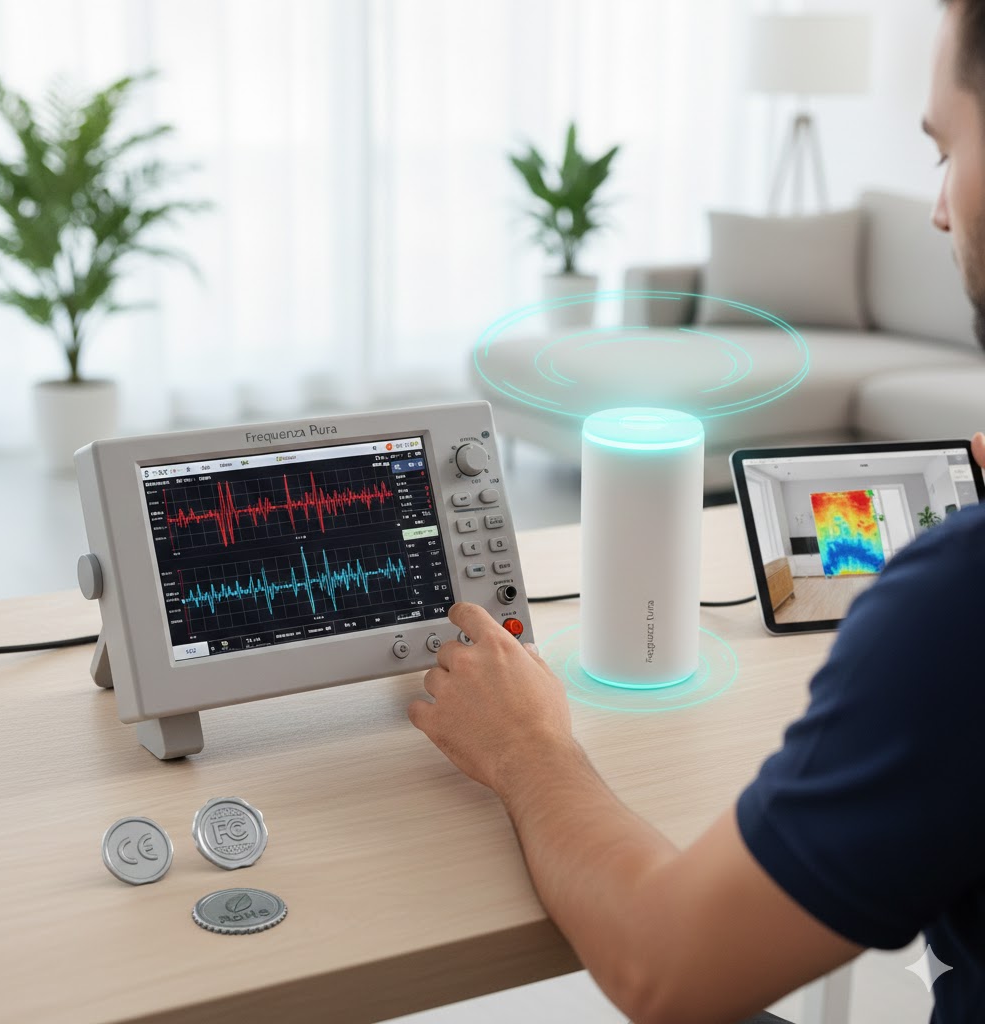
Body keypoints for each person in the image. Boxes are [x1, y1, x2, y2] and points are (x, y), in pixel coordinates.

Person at [407, 2, 985, 1021]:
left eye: (945, 149)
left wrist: (526, 749)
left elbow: (665, 967)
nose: (936, 209)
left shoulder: (955, 606)